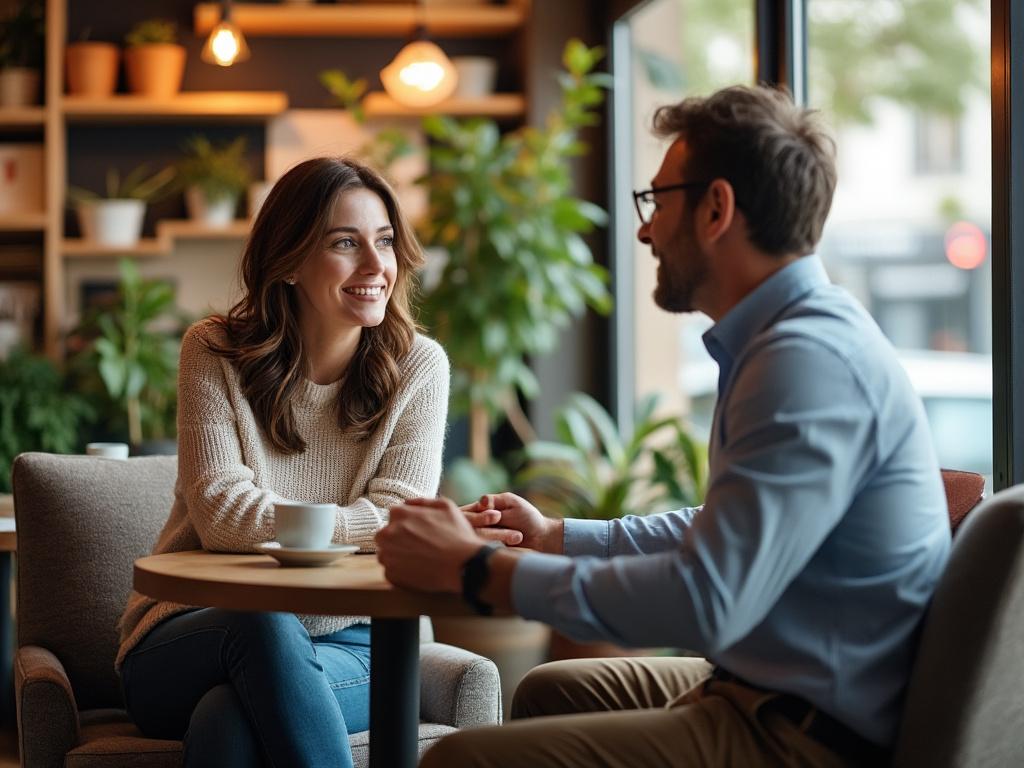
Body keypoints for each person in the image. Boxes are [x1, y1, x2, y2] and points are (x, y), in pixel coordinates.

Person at [375, 85, 951, 767]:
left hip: (807, 733)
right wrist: (556, 537)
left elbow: (709, 599)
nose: (645, 231)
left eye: (656, 201)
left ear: (716, 209)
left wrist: (480, 569)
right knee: (547, 691)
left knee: (457, 761)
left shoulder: (804, 364)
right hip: (773, 687)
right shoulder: (785, 341)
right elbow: (724, 528)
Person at [116, 157, 450, 768]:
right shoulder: (214, 351)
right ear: (289, 260)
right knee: (260, 622)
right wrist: (354, 523)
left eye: (384, 242)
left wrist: (306, 527)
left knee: (226, 718)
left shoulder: (419, 367)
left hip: (359, 642)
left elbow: (402, 514)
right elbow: (221, 514)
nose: (377, 267)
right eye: (346, 244)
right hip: (193, 633)